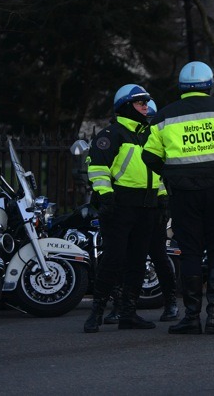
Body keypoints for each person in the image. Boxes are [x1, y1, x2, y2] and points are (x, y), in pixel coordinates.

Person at [142, 61, 214, 335]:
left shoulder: (164, 117)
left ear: (181, 87)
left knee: (190, 250)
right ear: (210, 85)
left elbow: (149, 155)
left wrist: (170, 175)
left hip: (183, 194)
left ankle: (191, 317)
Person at [83, 84, 160, 333]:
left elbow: (161, 169)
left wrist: (164, 197)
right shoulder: (111, 134)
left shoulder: (151, 134)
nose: (146, 107)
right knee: (113, 259)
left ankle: (128, 313)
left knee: (137, 261)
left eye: (147, 102)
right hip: (119, 205)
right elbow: (97, 168)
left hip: (147, 205)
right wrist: (106, 197)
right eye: (140, 103)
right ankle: (96, 313)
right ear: (127, 106)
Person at [102, 99, 179, 325]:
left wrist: (164, 200)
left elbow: (161, 175)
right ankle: (120, 305)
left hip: (154, 205)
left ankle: (171, 302)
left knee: (158, 255)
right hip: (131, 204)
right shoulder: (125, 135)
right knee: (121, 256)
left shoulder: (155, 137)